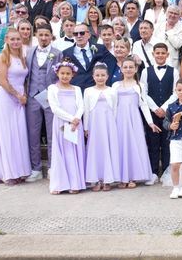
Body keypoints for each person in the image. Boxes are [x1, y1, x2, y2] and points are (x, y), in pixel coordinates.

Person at [0, 28, 31, 185]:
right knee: (7, 135)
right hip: (7, 99)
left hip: (20, 99)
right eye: (12, 39)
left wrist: (24, 94)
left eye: (18, 39)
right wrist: (17, 95)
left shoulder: (22, 57)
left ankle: (19, 170)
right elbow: (2, 81)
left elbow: (24, 80)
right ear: (6, 40)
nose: (15, 42)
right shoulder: (2, 57)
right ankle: (7, 172)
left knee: (18, 135)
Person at [113, 56, 162, 188]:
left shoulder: (140, 85)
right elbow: (112, 105)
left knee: (133, 145)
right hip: (119, 119)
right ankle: (122, 177)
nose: (128, 69)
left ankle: (133, 177)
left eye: (131, 67)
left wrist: (151, 123)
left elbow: (144, 105)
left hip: (134, 119)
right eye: (125, 67)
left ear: (135, 69)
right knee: (121, 146)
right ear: (121, 69)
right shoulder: (115, 85)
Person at [24, 24, 62, 181]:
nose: (44, 38)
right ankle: (36, 168)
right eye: (41, 35)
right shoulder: (29, 52)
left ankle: (53, 167)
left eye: (47, 35)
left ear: (51, 36)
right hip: (32, 96)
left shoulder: (57, 54)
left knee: (52, 133)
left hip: (50, 97)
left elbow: (61, 76)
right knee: (33, 134)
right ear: (36, 36)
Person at [140, 43, 178, 184]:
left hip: (168, 113)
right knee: (153, 142)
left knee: (168, 143)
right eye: (158, 53)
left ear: (167, 55)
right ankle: (154, 172)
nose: (160, 55)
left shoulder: (173, 71)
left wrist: (164, 107)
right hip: (152, 113)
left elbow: (176, 92)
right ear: (153, 54)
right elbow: (144, 92)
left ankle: (168, 172)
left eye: (163, 53)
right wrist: (155, 108)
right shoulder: (146, 71)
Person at [47, 59, 86, 194]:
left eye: (68, 74)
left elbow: (81, 105)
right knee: (62, 151)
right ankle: (59, 184)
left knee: (73, 151)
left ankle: (75, 183)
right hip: (62, 123)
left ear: (72, 75)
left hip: (76, 124)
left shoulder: (77, 89)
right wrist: (71, 119)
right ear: (57, 73)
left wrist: (77, 118)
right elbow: (54, 108)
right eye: (62, 73)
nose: (65, 76)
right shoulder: (53, 88)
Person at [83, 62, 119, 192]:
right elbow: (86, 110)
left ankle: (108, 180)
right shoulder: (88, 91)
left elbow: (115, 108)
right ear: (93, 76)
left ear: (107, 76)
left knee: (107, 149)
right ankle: (96, 179)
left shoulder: (112, 91)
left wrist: (114, 125)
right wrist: (86, 127)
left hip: (108, 124)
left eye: (102, 75)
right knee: (95, 149)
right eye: (97, 75)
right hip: (95, 123)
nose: (100, 78)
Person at [63, 23, 115, 91]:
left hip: (97, 90)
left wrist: (105, 86)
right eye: (76, 34)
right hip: (76, 91)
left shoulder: (100, 49)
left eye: (82, 33)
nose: (79, 36)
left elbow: (111, 66)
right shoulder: (66, 53)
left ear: (89, 35)